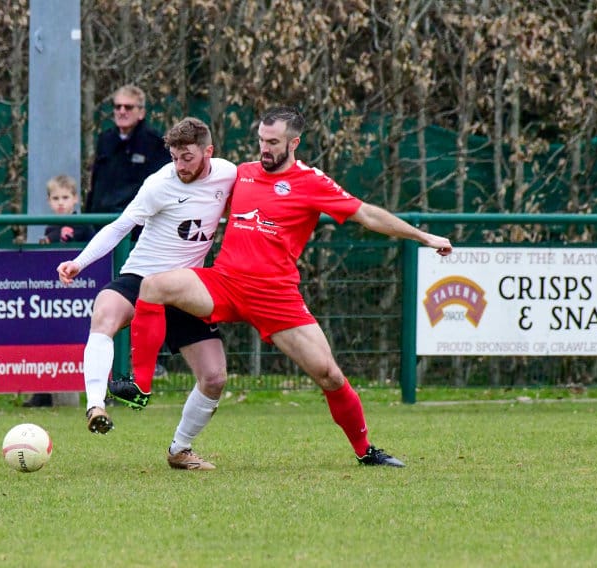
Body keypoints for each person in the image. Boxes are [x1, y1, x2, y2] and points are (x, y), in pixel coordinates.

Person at [121, 106, 454, 468]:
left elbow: (367, 214)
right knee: (154, 286)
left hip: (275, 297)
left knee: (329, 374)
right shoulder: (242, 174)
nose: (264, 148)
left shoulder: (311, 182)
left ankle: (365, 450)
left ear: (294, 143)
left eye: (273, 142)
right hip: (225, 283)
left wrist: (424, 237)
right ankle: (142, 387)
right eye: (261, 140)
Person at [57, 117, 237, 470]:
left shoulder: (228, 174)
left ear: (208, 152)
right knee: (104, 313)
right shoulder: (159, 184)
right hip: (142, 277)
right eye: (174, 157)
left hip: (186, 288)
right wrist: (80, 262)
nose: (180, 165)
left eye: (187, 157)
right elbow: (120, 227)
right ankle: (95, 406)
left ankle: (180, 450)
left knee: (215, 377)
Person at [86, 84, 172, 378]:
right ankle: (104, 367)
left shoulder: (155, 143)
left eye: (128, 107)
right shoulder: (106, 140)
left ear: (141, 112)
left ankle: (148, 361)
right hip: (104, 230)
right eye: (117, 107)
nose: (121, 112)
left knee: (145, 299)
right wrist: (89, 219)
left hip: (137, 237)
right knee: (105, 302)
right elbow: (96, 184)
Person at [24, 175, 96, 408]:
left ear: (75, 199)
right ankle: (44, 392)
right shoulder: (50, 227)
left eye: (65, 197)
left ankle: (102, 392)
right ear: (49, 201)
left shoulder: (84, 226)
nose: (61, 203)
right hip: (56, 297)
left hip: (82, 295)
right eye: (56, 198)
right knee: (50, 340)